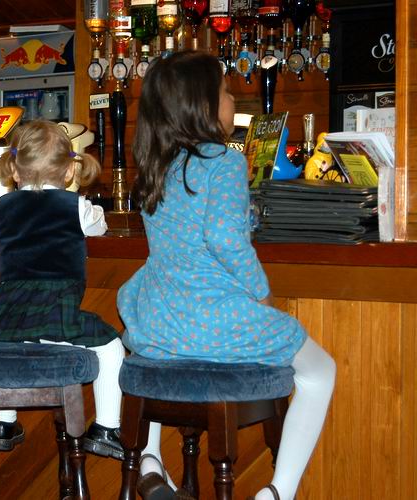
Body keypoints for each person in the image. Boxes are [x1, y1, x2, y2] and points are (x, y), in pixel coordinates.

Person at [117, 51, 336, 500]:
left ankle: (151, 461)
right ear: (202, 104)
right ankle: (279, 492)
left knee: (158, 356)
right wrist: (260, 291)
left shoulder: (157, 168)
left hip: (159, 322)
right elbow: (223, 238)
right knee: (321, 371)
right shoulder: (224, 162)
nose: (233, 97)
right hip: (216, 324)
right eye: (225, 90)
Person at [0, 120, 126, 459]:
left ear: (15, 173)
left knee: (16, 345)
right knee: (111, 347)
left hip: (9, 311)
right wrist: (90, 210)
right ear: (68, 173)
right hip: (55, 309)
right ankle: (107, 427)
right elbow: (99, 226)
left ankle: (4, 422)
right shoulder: (76, 206)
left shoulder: (0, 207)